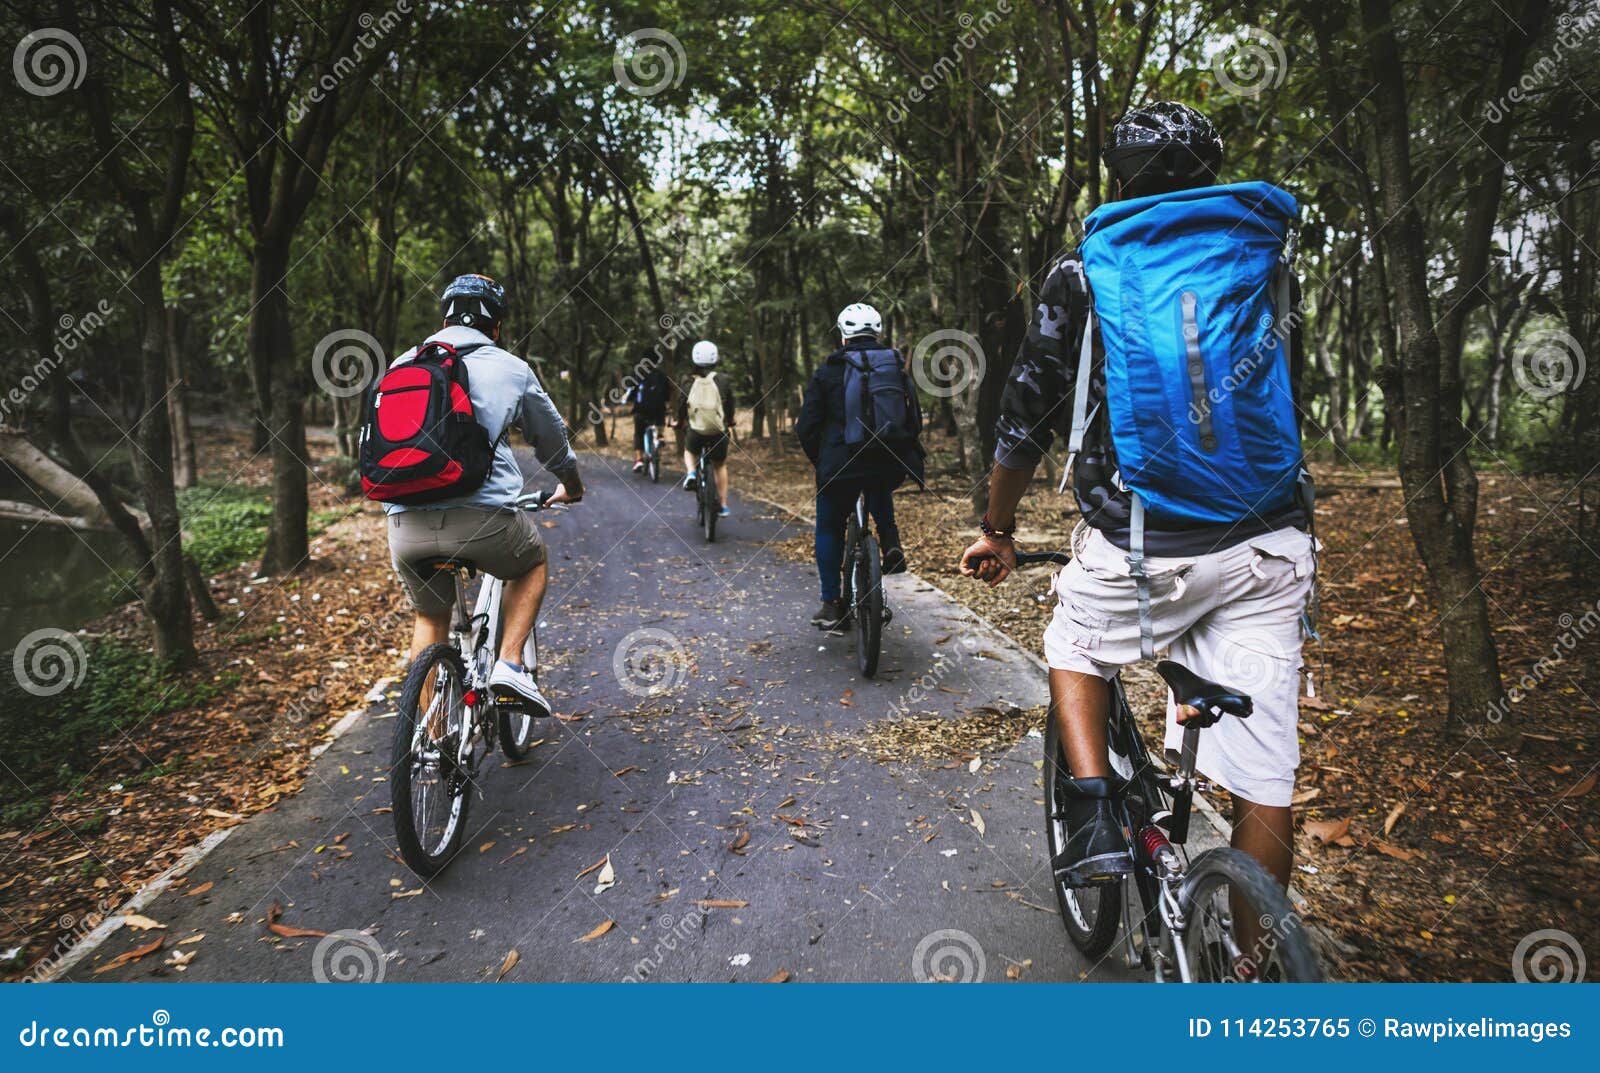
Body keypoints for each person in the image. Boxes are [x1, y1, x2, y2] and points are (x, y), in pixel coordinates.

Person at [959, 102, 1312, 898]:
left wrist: (997, 526)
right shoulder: (1259, 258)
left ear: (1120, 176)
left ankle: (1089, 818)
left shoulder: (1089, 268)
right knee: (1265, 779)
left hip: (1145, 544)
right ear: (1212, 174)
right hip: (1268, 542)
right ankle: (1256, 976)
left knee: (1074, 642)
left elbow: (1023, 424)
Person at [382, 273, 583, 716]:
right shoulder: (510, 367)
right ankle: (510, 665)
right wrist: (571, 485)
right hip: (483, 521)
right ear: (496, 327)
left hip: (404, 525)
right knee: (531, 562)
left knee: (430, 618)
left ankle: (432, 744)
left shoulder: (402, 365)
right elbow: (551, 444)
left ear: (445, 317)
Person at [798, 302, 924, 630]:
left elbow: (806, 426)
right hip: (887, 461)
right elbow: (913, 417)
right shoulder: (894, 366)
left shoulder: (828, 371)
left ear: (843, 336)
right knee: (877, 480)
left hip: (839, 464)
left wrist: (821, 460)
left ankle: (832, 606)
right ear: (878, 332)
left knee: (828, 527)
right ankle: (891, 543)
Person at [679, 340, 734, 517]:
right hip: (718, 431)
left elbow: (682, 405)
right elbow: (730, 405)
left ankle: (692, 473)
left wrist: (679, 421)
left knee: (689, 450)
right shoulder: (724, 380)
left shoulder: (687, 381)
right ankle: (724, 505)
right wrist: (730, 421)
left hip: (696, 431)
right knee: (719, 465)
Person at [628, 354, 669, 473]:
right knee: (660, 418)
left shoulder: (638, 375)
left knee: (638, 433)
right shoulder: (662, 376)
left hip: (641, 411)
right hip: (658, 412)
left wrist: (629, 400)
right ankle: (659, 437)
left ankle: (639, 459)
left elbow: (632, 393)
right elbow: (667, 394)